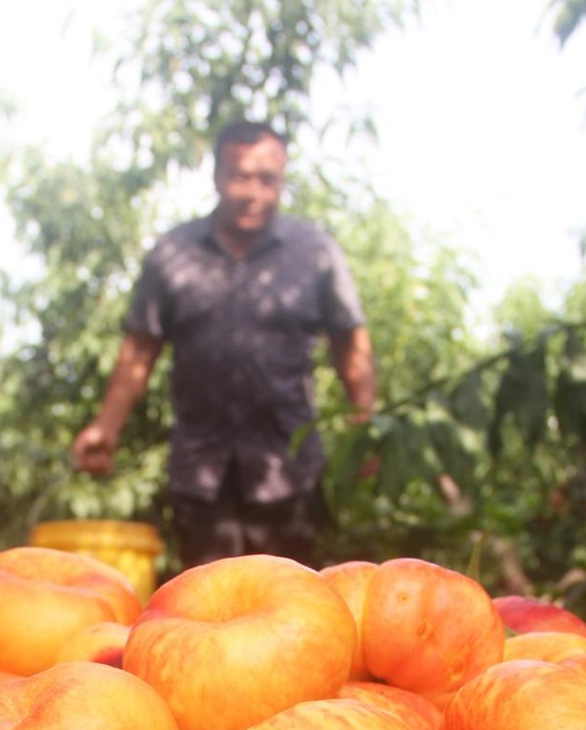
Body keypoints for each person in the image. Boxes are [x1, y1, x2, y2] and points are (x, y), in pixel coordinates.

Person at [71, 119, 376, 567]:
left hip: (287, 468)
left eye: (266, 179)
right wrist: (106, 427)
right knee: (206, 605)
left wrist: (364, 427)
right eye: (239, 176)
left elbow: (351, 342)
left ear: (282, 180)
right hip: (201, 469)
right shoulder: (174, 254)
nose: (252, 191)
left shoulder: (314, 253)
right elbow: (140, 350)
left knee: (291, 605)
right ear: (217, 177)